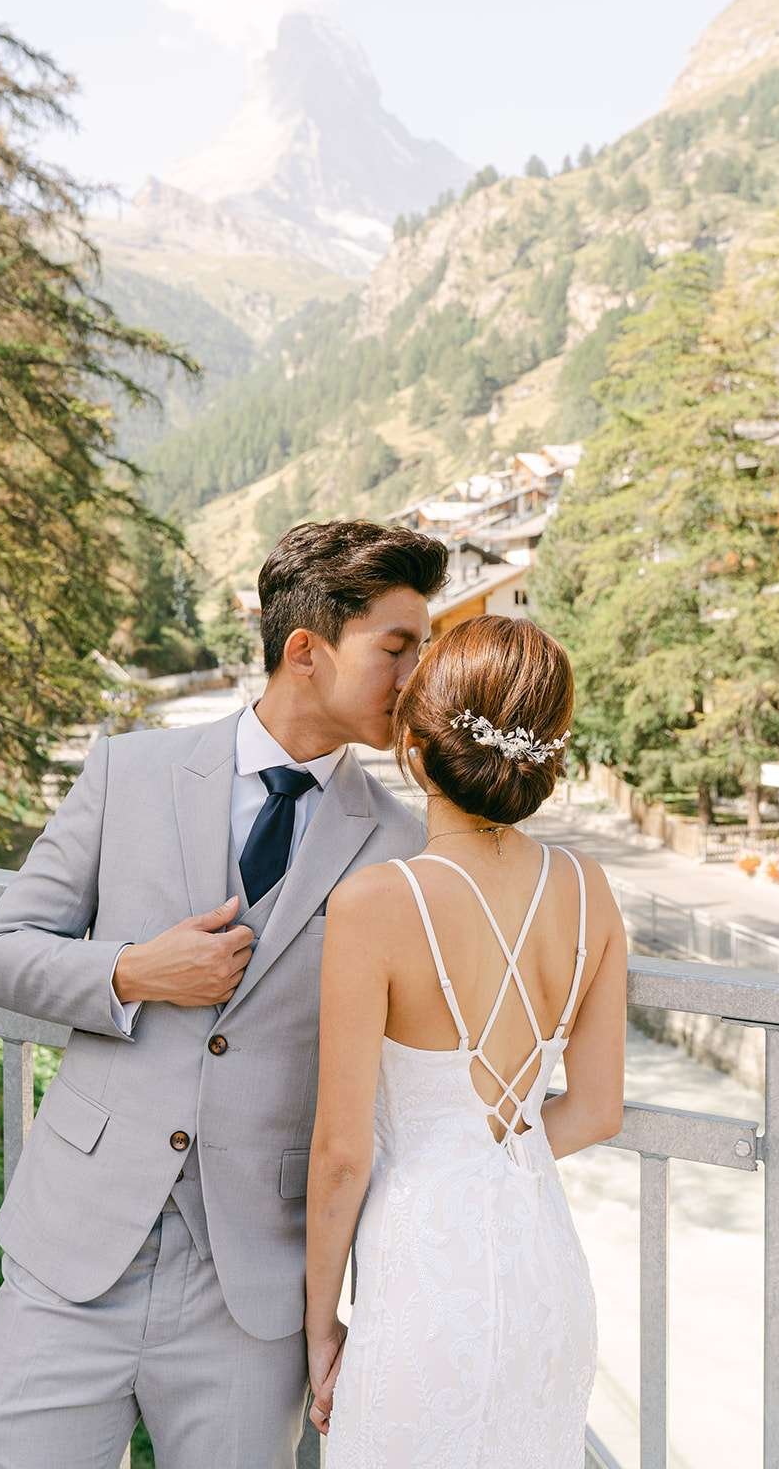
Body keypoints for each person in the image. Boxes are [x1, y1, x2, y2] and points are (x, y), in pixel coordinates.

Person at [0, 519, 448, 1469]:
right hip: (74, 1255)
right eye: (397, 648)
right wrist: (131, 972)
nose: (416, 677)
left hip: (253, 1292)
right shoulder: (128, 771)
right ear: (304, 650)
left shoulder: (403, 847)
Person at [304, 614, 628, 1466]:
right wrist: (488, 1154)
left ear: (414, 749)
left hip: (422, 1274)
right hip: (543, 1269)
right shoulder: (588, 889)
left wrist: (319, 1326)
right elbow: (595, 1111)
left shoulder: (375, 903)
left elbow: (341, 1154)